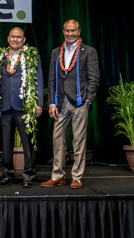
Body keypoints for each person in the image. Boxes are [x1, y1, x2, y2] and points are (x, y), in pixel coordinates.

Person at [43, 20, 99, 189]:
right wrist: (51, 102)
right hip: (60, 102)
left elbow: (93, 78)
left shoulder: (88, 51)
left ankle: (77, 177)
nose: (70, 33)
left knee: (79, 140)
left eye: (73, 30)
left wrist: (88, 99)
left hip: (80, 102)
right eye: (67, 31)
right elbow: (52, 79)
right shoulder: (56, 52)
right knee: (57, 139)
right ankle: (58, 176)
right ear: (63, 31)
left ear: (79, 31)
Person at [0, 27, 43, 188]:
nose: (15, 39)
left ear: (24, 40)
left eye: (19, 37)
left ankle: (28, 175)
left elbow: (39, 79)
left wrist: (38, 103)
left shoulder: (31, 55)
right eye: (13, 37)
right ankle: (7, 175)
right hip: (5, 105)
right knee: (6, 143)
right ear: (8, 39)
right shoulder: (1, 56)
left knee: (26, 143)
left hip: (24, 105)